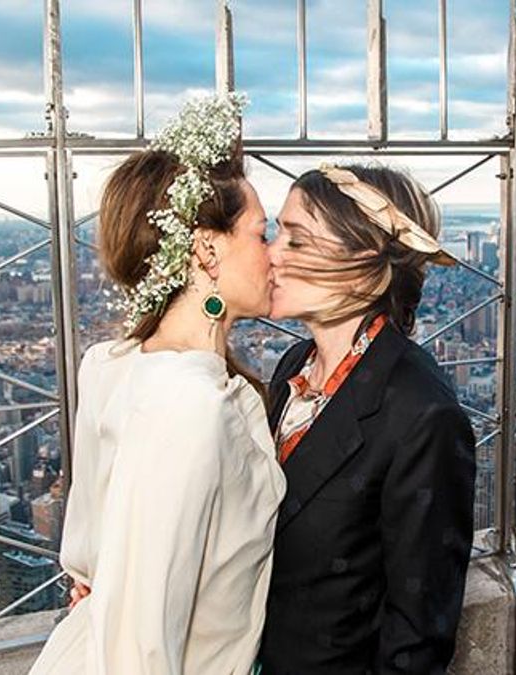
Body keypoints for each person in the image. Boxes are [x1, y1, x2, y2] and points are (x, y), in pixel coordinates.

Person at [29, 92, 285, 675]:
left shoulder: (112, 363)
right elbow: (138, 649)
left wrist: (102, 589)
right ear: (206, 248)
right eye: (260, 234)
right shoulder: (188, 404)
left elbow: (90, 560)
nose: (274, 255)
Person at [258, 163, 476, 674]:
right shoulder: (294, 365)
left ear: (363, 263)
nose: (272, 253)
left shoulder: (422, 414)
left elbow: (417, 636)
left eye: (296, 239)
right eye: (276, 233)